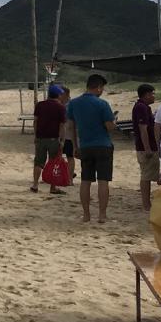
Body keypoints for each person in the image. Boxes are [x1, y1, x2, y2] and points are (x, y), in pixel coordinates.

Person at [65, 73, 117, 223]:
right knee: (103, 181)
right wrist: (114, 123)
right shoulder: (102, 104)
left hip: (85, 146)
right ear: (99, 87)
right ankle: (102, 215)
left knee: (86, 181)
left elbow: (71, 127)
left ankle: (86, 215)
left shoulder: (74, 103)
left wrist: (75, 146)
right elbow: (109, 126)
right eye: (102, 88)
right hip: (103, 145)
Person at [30, 85, 67, 194]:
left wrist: (36, 136)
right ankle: (53, 187)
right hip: (54, 139)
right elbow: (62, 126)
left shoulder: (40, 105)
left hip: (41, 138)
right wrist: (62, 140)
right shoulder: (61, 107)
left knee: (38, 162)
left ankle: (35, 185)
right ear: (59, 95)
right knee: (54, 163)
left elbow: (35, 122)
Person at [132, 84, 159, 210]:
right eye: (153, 93)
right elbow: (143, 129)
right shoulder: (141, 107)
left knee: (148, 175)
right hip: (145, 148)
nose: (154, 96)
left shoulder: (144, 107)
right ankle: (146, 204)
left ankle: (147, 203)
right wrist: (147, 148)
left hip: (147, 146)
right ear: (147, 94)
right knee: (146, 176)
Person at [57, 86, 76, 185]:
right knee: (57, 156)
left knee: (70, 156)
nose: (60, 96)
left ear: (67, 95)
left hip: (69, 135)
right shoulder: (60, 104)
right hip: (60, 134)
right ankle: (60, 177)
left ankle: (69, 179)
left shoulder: (70, 105)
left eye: (61, 94)